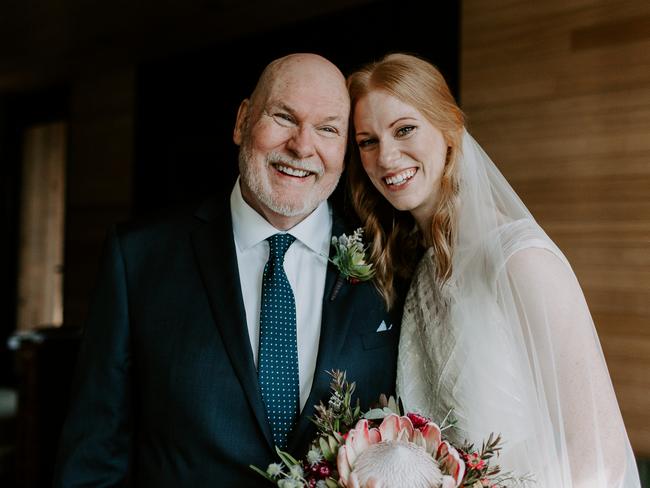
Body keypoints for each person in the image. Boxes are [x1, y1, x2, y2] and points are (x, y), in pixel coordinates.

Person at [53, 53, 401, 487]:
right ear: (242, 122)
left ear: (345, 148)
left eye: (328, 128)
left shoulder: (392, 258)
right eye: (283, 117)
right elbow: (93, 457)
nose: (301, 146)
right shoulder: (139, 258)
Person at [345, 52, 641, 487]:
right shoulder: (425, 269)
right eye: (367, 141)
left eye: (404, 129)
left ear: (448, 130)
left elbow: (600, 458)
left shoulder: (520, 261)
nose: (386, 157)